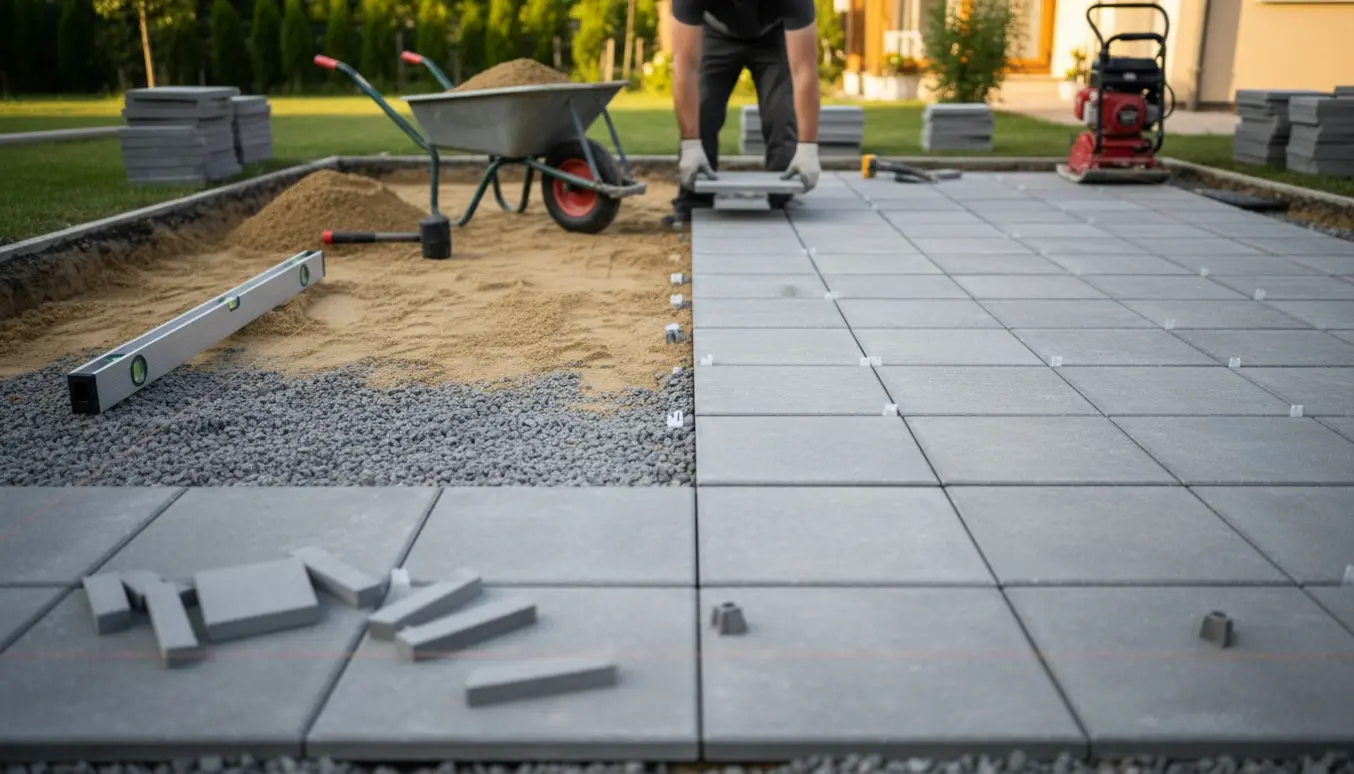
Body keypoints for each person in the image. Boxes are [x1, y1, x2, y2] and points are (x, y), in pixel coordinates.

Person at [665, 0, 823, 225]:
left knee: (780, 113)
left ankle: (782, 198)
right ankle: (692, 200)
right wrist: (690, 144)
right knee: (704, 108)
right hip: (715, 35)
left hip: (774, 37)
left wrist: (808, 147)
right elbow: (686, 66)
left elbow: (804, 69)